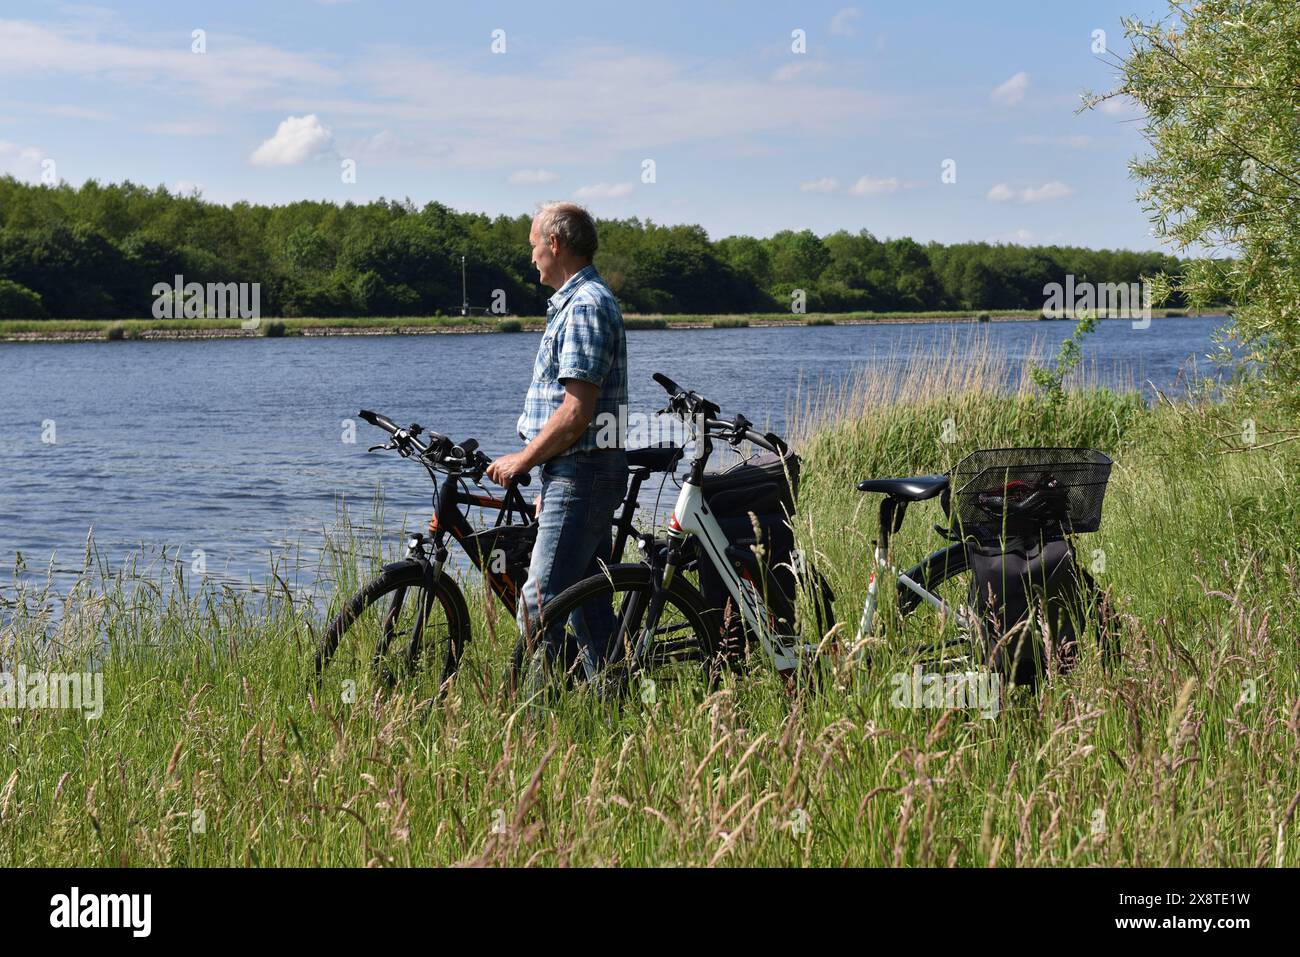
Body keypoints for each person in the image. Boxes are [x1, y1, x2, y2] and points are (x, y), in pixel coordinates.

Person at [485, 201, 628, 692]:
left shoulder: (586, 305)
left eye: (533, 248)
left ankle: (532, 724)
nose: (531, 260)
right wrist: (549, 476)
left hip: (582, 470)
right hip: (574, 472)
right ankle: (616, 710)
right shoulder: (578, 302)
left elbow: (575, 412)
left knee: (540, 602)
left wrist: (523, 460)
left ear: (554, 244)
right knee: (589, 611)